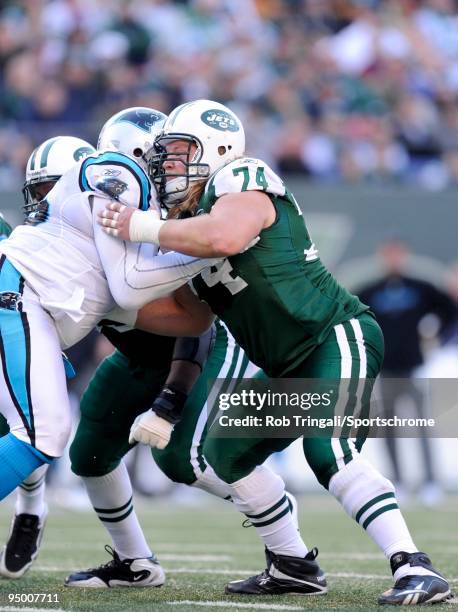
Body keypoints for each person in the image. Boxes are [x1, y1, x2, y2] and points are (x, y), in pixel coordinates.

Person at [100, 99, 452, 605]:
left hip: (334, 336)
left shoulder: (240, 177)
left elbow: (227, 234)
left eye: (181, 152)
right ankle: (292, 565)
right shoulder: (184, 221)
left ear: (218, 149)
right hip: (286, 365)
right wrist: (112, 311)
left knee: (326, 448)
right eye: (167, 154)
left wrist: (140, 226)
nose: (169, 164)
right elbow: (192, 317)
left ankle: (414, 566)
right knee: (225, 452)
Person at [60, 108, 298, 589]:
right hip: (138, 354)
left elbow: (198, 320)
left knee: (181, 459)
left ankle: (290, 549)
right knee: (88, 452)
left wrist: (169, 404)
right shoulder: (81, 216)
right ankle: (136, 562)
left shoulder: (173, 213)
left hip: (196, 349)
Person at [0, 115, 217, 515]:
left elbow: (189, 321)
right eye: (165, 155)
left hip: (30, 305)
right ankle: (30, 512)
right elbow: (130, 285)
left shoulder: (143, 207)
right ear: (140, 152)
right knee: (42, 433)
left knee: (39, 433)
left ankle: (32, 515)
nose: (171, 165)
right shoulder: (120, 171)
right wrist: (209, 247)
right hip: (18, 296)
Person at [358, 239, 457, 506]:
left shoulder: (420, 288)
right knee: (388, 429)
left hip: (413, 368)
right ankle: (398, 482)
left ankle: (430, 483)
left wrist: (437, 333)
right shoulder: (370, 291)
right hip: (385, 370)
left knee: (422, 428)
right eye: (389, 255)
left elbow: (448, 309)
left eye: (398, 255)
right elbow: (353, 317)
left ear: (405, 256)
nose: (394, 260)